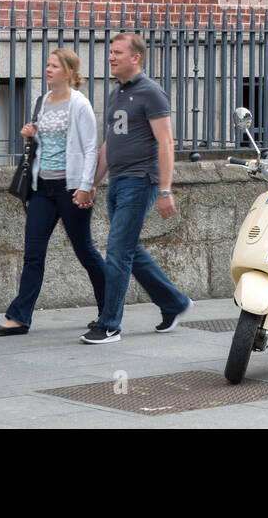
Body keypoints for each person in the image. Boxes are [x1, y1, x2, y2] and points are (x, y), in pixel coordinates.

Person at [80, 32, 191, 344]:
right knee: (129, 249)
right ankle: (174, 303)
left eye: (117, 52)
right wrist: (92, 183)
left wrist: (165, 189)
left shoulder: (151, 92)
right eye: (110, 52)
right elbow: (108, 144)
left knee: (117, 250)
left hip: (140, 181)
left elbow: (166, 142)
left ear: (135, 57)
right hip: (117, 181)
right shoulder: (117, 93)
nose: (110, 57)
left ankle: (110, 323)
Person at [0, 49, 105, 335]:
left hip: (70, 188)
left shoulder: (80, 105)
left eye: (54, 66)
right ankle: (19, 317)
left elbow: (90, 148)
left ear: (67, 72)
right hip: (42, 188)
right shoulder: (43, 101)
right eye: (48, 65)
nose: (48, 69)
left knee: (85, 250)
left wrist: (85, 187)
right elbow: (48, 138)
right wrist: (32, 132)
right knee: (33, 253)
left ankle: (109, 309)